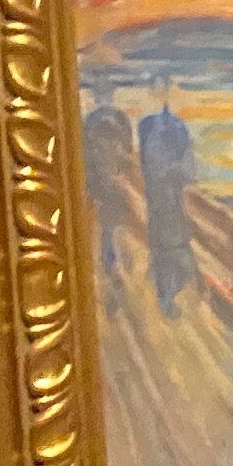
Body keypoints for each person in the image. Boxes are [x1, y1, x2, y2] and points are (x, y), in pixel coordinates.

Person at [135, 82, 196, 315]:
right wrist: (173, 171)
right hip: (161, 199)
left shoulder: (171, 128)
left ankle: (167, 293)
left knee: (170, 247)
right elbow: (153, 166)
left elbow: (186, 169)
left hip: (168, 199)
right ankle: (166, 295)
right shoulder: (149, 127)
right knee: (167, 248)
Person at [82, 83, 137, 281]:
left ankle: (111, 259)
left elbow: (126, 148)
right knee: (110, 222)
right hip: (105, 177)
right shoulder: (114, 119)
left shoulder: (93, 120)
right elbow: (126, 149)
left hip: (103, 176)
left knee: (110, 221)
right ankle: (110, 261)